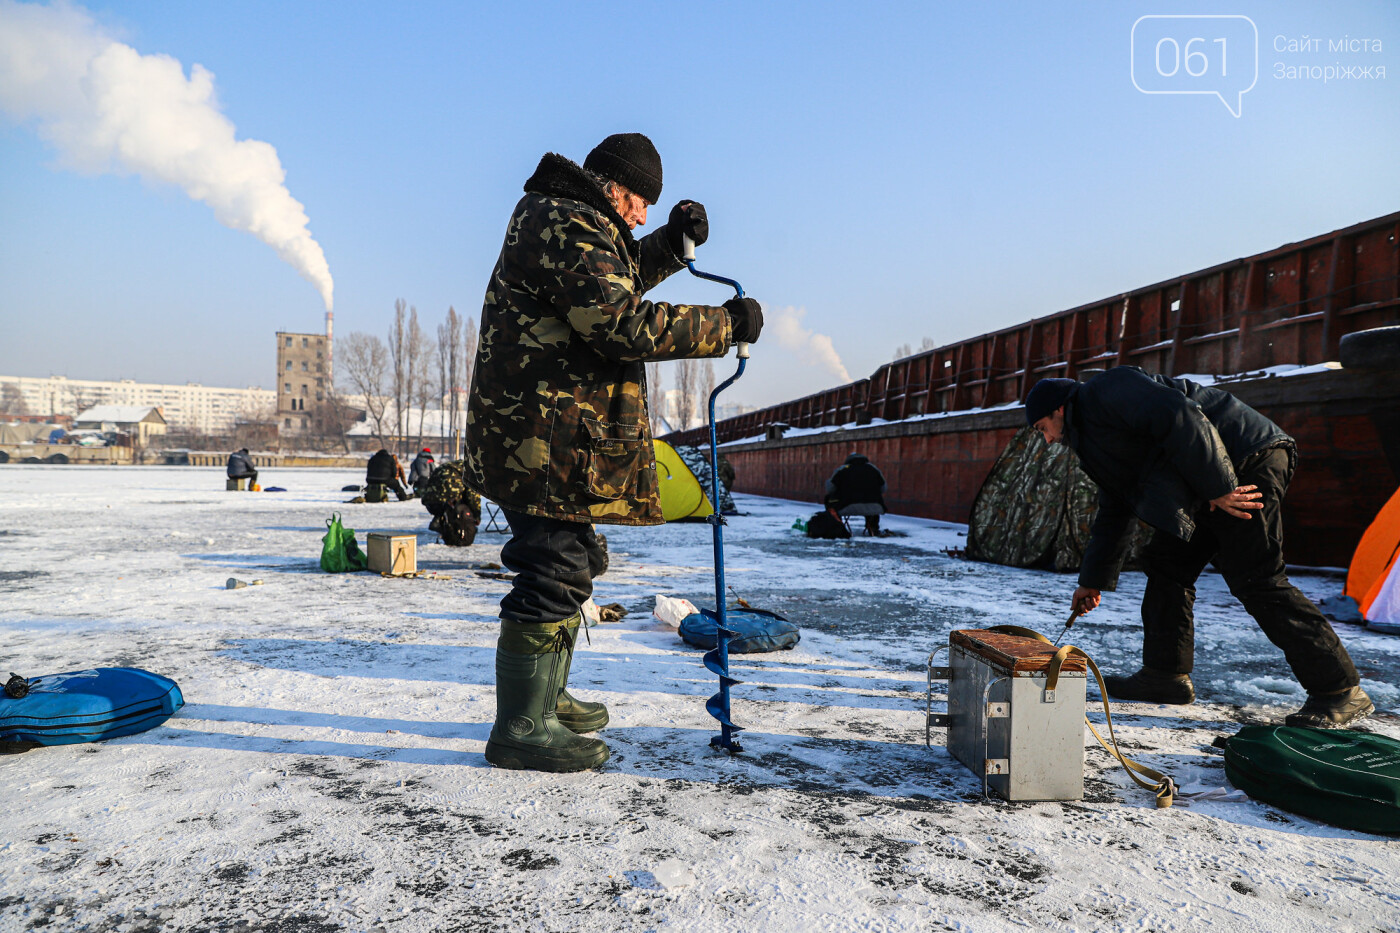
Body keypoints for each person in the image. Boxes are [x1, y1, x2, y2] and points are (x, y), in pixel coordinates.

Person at [464, 132, 763, 772]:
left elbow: (609, 281)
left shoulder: (567, 218)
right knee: (551, 571)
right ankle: (521, 727)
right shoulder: (566, 222)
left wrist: (670, 248)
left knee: (573, 562)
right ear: (610, 186)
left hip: (547, 439)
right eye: (638, 203)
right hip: (538, 442)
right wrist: (725, 325)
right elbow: (618, 320)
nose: (641, 217)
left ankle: (545, 698)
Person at [1024, 368, 1371, 728]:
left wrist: (1218, 486)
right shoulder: (1092, 443)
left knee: (1256, 577)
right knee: (1165, 566)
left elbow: (1180, 413)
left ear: (1058, 409)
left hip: (1246, 457)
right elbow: (1115, 508)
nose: (1046, 441)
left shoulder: (1107, 389)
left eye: (1041, 429)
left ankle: (1339, 690)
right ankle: (1165, 676)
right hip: (1206, 481)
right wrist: (1091, 580)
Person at [824, 451, 887, 535]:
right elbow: (883, 489)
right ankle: (873, 527)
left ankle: (837, 527)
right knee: (871, 499)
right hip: (875, 507)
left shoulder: (842, 469)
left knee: (828, 499)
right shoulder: (874, 469)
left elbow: (830, 489)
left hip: (846, 506)